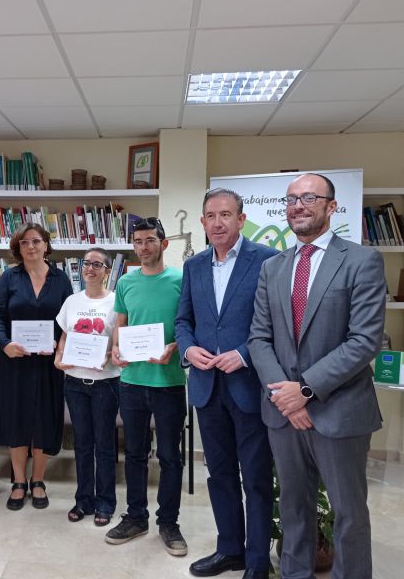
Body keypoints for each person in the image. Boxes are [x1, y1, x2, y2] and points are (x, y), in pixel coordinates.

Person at [248, 173, 386, 579]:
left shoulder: (362, 260)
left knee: (348, 517)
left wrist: (305, 390)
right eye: (291, 200)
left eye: (309, 197)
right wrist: (284, 396)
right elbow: (259, 338)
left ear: (331, 206)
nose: (298, 206)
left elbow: (364, 341)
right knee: (293, 510)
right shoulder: (273, 267)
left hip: (339, 411)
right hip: (283, 413)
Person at [176, 189, 277, 579]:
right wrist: (189, 350)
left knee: (254, 477)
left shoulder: (267, 261)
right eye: (210, 216)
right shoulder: (195, 265)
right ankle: (230, 550)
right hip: (207, 387)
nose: (217, 223)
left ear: (241, 219)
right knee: (219, 475)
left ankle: (256, 563)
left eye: (225, 215)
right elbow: (183, 320)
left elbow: (273, 325)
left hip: (248, 386)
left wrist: (245, 354)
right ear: (202, 223)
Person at [105, 217, 188, 557]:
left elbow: (188, 326)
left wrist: (175, 348)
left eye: (150, 240)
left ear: (163, 244)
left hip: (168, 382)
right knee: (135, 454)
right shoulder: (126, 281)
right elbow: (120, 324)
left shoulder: (182, 280)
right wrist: (115, 349)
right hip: (132, 382)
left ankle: (169, 522)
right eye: (138, 242)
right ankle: (136, 516)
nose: (143, 247)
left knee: (170, 456)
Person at [0, 222, 73, 511]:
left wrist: (60, 347)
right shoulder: (9, 278)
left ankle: (38, 480)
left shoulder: (61, 280)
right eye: (25, 242)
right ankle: (18, 482)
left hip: (49, 363)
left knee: (44, 418)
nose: (31, 247)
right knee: (17, 417)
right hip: (15, 360)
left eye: (36, 241)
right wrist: (4, 343)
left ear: (46, 246)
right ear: (18, 247)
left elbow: (68, 322)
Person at [55, 247, 121, 527]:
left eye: (97, 264)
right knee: (81, 444)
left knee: (104, 445)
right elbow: (64, 338)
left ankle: (106, 502)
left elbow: (118, 343)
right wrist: (59, 358)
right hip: (75, 383)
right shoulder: (72, 301)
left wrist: (109, 355)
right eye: (86, 264)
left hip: (106, 383)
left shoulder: (117, 302)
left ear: (107, 271)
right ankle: (84, 500)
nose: (90, 269)